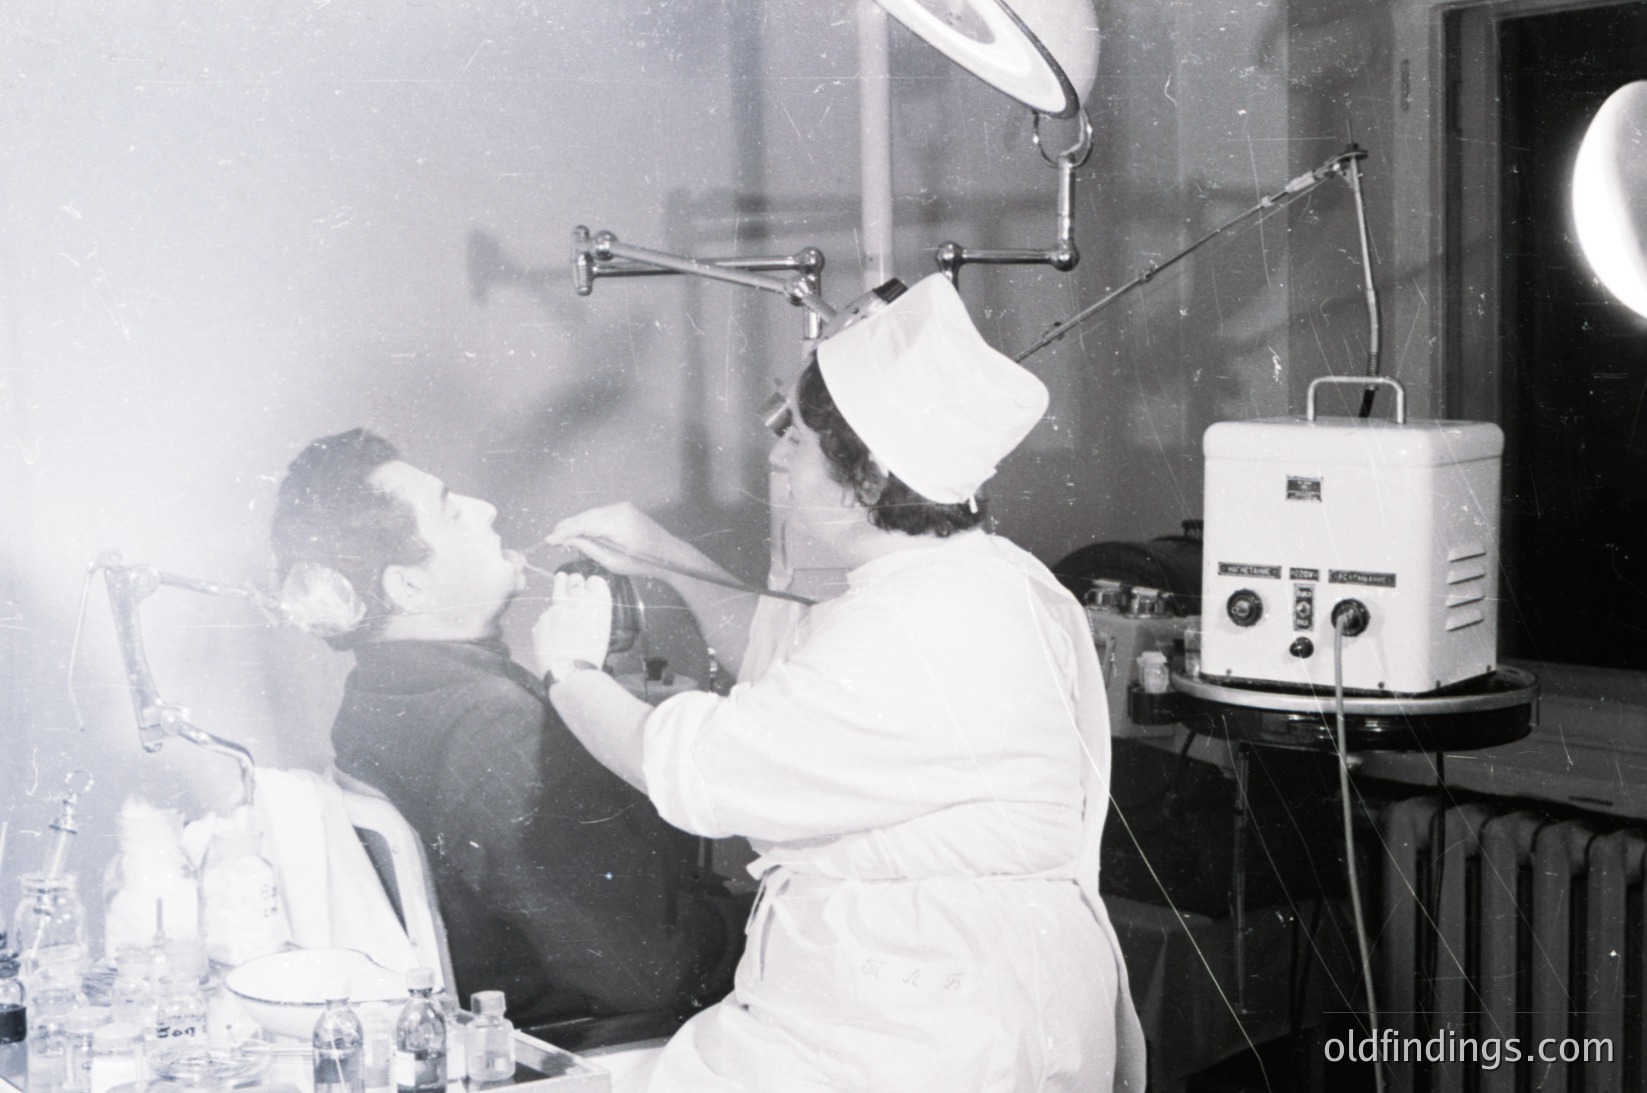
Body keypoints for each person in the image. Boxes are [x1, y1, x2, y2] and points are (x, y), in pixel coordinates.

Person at [534, 274, 1147, 1091]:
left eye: (797, 439)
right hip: (897, 994)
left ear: (864, 480)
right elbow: (787, 653)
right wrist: (666, 555)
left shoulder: (924, 624)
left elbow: (701, 771)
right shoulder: (960, 577)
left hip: (933, 1023)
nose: (777, 453)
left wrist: (568, 669)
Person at [270, 429, 743, 1031]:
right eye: (451, 509)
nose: (485, 510)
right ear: (407, 586)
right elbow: (645, 973)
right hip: (588, 1038)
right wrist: (762, 919)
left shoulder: (377, 695)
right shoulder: (494, 725)